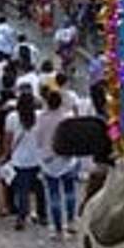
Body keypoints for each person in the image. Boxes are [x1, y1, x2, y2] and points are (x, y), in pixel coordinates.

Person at [37, 87, 80, 237]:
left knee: (54, 195)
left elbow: (39, 140)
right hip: (67, 158)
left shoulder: (42, 118)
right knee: (70, 191)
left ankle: (58, 229)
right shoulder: (67, 117)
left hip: (49, 160)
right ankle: (71, 221)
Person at [5, 91, 44, 231]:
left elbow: (8, 139)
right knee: (40, 188)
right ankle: (42, 214)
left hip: (19, 159)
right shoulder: (39, 116)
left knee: (22, 190)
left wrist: (7, 153)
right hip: (38, 158)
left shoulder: (12, 117)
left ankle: (22, 216)